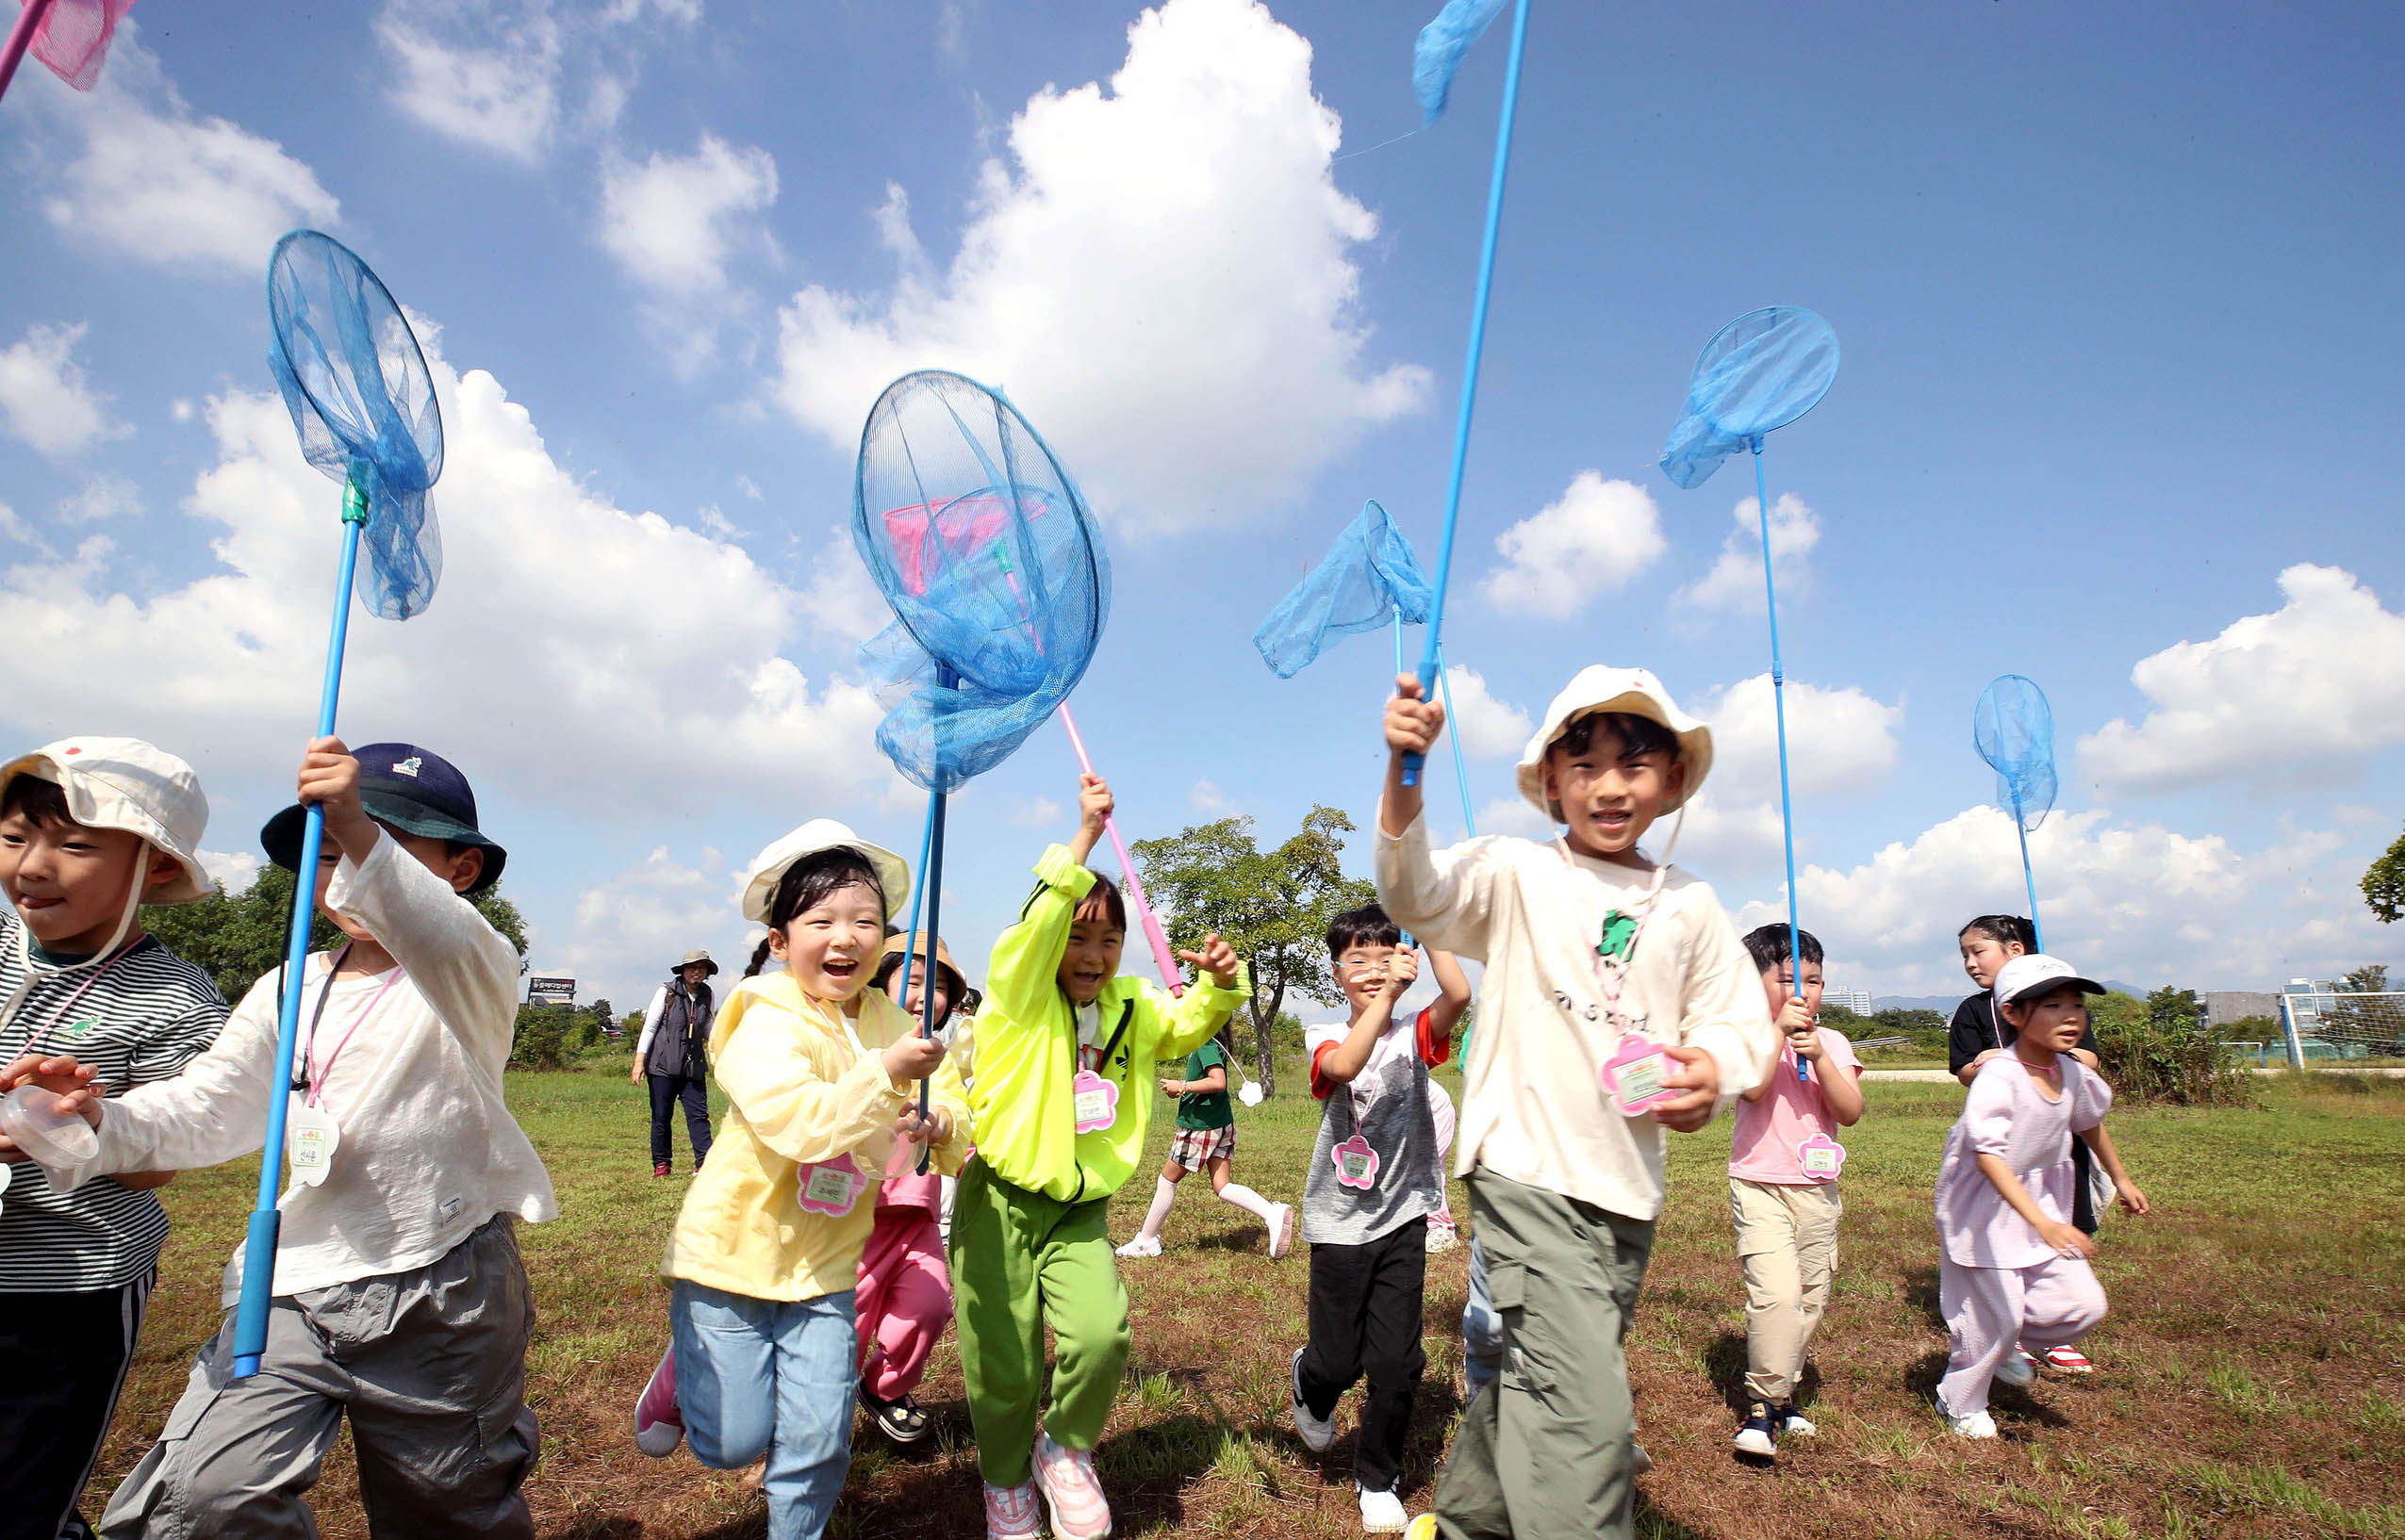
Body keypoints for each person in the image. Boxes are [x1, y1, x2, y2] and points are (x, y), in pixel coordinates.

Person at [18, 739, 555, 1537]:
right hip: (289, 1278)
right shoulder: (287, 987)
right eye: (324, 852)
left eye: (382, 846)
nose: (345, 872)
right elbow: (208, 1107)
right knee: (205, 1498)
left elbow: (435, 929)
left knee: (446, 1508)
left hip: (443, 1282)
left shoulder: (472, 969)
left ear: (461, 872)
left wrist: (354, 823)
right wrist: (101, 1119)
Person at [1377, 665, 1777, 1540]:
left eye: (1634, 764)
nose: (1608, 785)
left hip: (1626, 1198)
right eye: (1584, 764)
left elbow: (1736, 1022)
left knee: (1532, 1380)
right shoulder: (1517, 873)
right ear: (1550, 782)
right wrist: (1404, 776)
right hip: (1527, 1173)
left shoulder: (1691, 904)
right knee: (1587, 1425)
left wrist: (1711, 1068)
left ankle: (1465, 1526)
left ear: (1671, 781)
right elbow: (1417, 897)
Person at [633, 823, 964, 1540]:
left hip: (825, 1267)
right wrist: (885, 1074)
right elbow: (799, 1122)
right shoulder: (760, 1013)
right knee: (733, 1444)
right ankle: (681, 1379)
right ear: (780, 941)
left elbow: (952, 1106)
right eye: (822, 921)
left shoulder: (888, 1019)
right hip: (732, 1261)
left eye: (865, 921)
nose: (846, 937)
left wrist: (941, 1125)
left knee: (818, 1440)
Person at [952, 773, 1246, 1540]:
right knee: (1003, 1363)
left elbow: (1186, 1025)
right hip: (1000, 1204)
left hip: (1080, 1211)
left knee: (1100, 1333)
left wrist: (1220, 984)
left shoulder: (1132, 1006)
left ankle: (1065, 1449)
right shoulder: (1018, 999)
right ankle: (1005, 1484)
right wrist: (1081, 839)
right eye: (1078, 937)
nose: (1093, 953)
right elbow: (1030, 935)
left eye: (1109, 939)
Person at [0, 738, 228, 1540]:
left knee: (25, 1493)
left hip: (68, 1287)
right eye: (15, 836)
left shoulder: (179, 1001)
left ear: (155, 868)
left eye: (74, 845)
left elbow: (155, 1169)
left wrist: (82, 1123)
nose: (32, 865)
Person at [1287, 906, 1471, 1533]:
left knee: (1395, 1362)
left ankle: (1377, 1477)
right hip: (1339, 1221)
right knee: (1338, 1362)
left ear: (1405, 959)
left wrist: (1431, 922)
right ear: (1337, 972)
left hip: (1403, 1215)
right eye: (1356, 960)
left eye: (1385, 956)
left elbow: (1459, 993)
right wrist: (1387, 991)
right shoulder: (1320, 1034)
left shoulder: (1416, 1033)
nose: (1371, 970)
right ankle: (1309, 1380)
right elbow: (1340, 1069)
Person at [1934, 954, 2149, 1438]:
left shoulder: (2071, 1073)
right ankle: (1961, 1400)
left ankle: (2005, 1339)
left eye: (2077, 1005)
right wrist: (2043, 1223)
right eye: (2052, 1005)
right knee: (1995, 1314)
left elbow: (2089, 1121)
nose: (2072, 1017)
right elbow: (1988, 1156)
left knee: (2084, 1305)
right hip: (1983, 1209)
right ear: (2013, 1013)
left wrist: (2121, 1178)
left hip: (2040, 1202)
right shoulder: (1999, 1077)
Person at [1726, 924, 1864, 1460]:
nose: (1803, 992)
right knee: (1775, 1295)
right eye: (1787, 980)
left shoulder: (1832, 1041)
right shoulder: (1745, 1038)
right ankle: (1761, 1404)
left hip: (1818, 1190)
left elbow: (1848, 1112)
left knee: (1810, 1298)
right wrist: (1779, 1034)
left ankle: (1784, 1395)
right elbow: (1755, 1087)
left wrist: (1822, 1056)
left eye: (1814, 980)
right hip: (1759, 1185)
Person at [1946, 914, 2106, 1371]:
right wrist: (2001, 1063)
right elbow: (1964, 1072)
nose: (1970, 963)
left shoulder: (2063, 1004)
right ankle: (2004, 1331)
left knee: (2063, 1230)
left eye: (1978, 951)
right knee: (2003, 1236)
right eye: (1965, 956)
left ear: (2015, 950)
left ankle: (2051, 1328)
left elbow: (2087, 1060)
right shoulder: (1973, 1011)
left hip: (2054, 1149)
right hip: (2002, 1147)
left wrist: (2046, 1054)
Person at [856, 930, 976, 1446]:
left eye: (940, 986)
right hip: (849, 1222)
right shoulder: (853, 1039)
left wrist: (941, 1120)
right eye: (913, 980)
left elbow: (958, 1111)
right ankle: (801, 1424)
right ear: (877, 984)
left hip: (915, 1214)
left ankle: (886, 1387)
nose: (927, 995)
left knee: (928, 1305)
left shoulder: (937, 1056)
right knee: (842, 1330)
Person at [1113, 1024, 1292, 1261]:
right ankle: (1272, 1213)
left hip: (1201, 1126)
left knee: (1167, 1180)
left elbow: (1218, 1082)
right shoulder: (1213, 1043)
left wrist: (1183, 1086)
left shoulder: (1203, 1043)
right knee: (1222, 1186)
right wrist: (1182, 1088)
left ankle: (1146, 1241)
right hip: (1221, 1122)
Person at [633, 949, 718, 1176]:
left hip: (693, 1068)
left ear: (707, 972)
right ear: (683, 970)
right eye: (692, 967)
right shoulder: (667, 992)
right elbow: (650, 1027)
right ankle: (662, 1164)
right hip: (662, 1066)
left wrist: (726, 1045)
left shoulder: (707, 995)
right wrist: (639, 1061)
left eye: (702, 967)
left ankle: (704, 1164)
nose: (697, 971)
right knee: (661, 1116)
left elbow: (708, 1027)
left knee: (699, 1116)